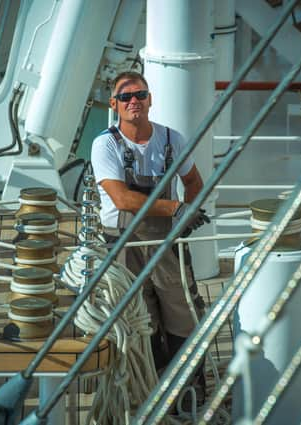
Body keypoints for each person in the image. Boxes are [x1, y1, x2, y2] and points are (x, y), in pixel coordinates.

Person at [90, 71, 210, 372]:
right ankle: (147, 388)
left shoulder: (171, 139)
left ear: (150, 100)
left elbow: (194, 181)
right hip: (123, 244)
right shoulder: (105, 145)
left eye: (140, 95)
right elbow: (123, 200)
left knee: (183, 312)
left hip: (166, 242)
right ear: (114, 104)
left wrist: (188, 214)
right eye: (125, 97)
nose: (134, 101)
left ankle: (185, 390)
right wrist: (176, 209)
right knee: (139, 318)